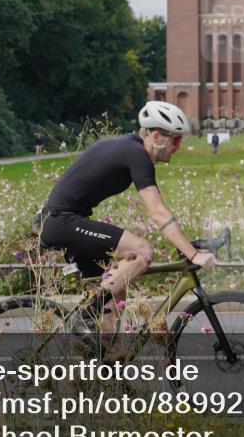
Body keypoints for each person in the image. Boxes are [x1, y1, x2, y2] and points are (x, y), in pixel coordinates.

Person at [37, 101, 217, 330]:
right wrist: (193, 255)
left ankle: (107, 357)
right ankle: (85, 314)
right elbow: (159, 213)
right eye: (176, 139)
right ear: (156, 136)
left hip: (59, 221)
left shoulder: (128, 148)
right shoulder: (136, 153)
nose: (178, 146)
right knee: (141, 252)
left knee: (116, 295)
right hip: (61, 222)